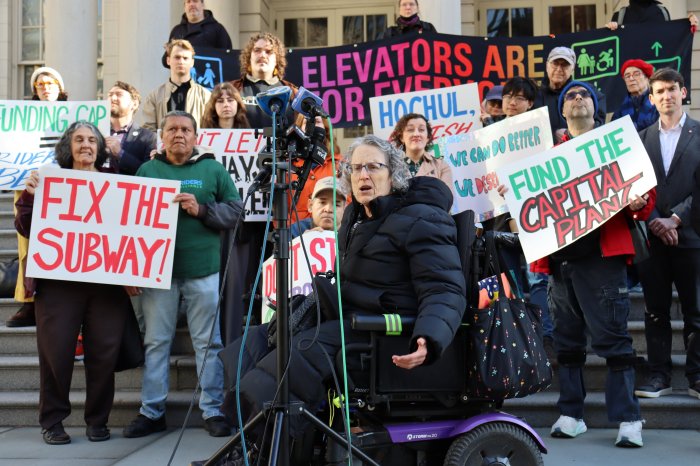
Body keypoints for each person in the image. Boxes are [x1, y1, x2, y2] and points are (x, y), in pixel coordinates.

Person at [221, 134, 466, 462]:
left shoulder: (423, 217)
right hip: (348, 317)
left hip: (384, 331)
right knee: (256, 341)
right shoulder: (356, 217)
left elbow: (444, 287)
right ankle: (255, 445)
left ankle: (269, 452)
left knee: (296, 355)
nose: (364, 175)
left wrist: (429, 336)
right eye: (356, 168)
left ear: (393, 175)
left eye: (373, 167)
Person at [529, 81, 654, 448]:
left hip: (602, 261)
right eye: (570, 96)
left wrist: (638, 202)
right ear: (562, 111)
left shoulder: (617, 146)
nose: (577, 99)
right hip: (559, 263)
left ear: (595, 108)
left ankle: (630, 418)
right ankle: (571, 413)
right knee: (567, 343)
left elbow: (646, 199)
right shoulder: (546, 155)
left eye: (584, 95)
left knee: (614, 342)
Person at [122, 111, 243, 439]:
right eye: (172, 129)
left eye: (186, 129)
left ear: (195, 136)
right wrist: (130, 268)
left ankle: (213, 410)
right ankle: (152, 411)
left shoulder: (212, 169)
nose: (179, 134)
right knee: (157, 342)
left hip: (203, 271)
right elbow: (129, 220)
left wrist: (201, 210)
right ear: (162, 136)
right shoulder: (147, 170)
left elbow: (236, 211)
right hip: (157, 274)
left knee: (208, 344)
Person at [15, 121, 130, 445]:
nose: (86, 145)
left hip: (105, 284)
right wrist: (33, 196)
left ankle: (98, 421)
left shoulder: (116, 183)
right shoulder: (47, 182)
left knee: (105, 354)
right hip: (58, 284)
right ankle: (52, 421)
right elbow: (24, 225)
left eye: (92, 140)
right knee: (56, 354)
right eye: (79, 139)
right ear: (68, 147)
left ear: (100, 148)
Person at [635, 68, 700, 400]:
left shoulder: (699, 133)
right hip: (652, 238)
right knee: (655, 310)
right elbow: (637, 185)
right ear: (651, 98)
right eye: (659, 92)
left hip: (692, 237)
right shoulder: (642, 138)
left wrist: (676, 218)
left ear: (683, 92)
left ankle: (697, 376)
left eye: (671, 89)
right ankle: (658, 374)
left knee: (696, 311)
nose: (666, 96)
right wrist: (658, 220)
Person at [6, 66, 67, 328]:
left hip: (63, 188)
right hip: (29, 186)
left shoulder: (75, 115)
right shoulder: (20, 120)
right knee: (26, 245)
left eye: (50, 83)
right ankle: (28, 301)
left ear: (59, 88)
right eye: (40, 85)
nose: (45, 88)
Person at [533, 47, 607, 143]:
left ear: (572, 69)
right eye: (555, 64)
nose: (559, 69)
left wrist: (571, 134)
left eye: (565, 65)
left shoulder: (588, 91)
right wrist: (552, 134)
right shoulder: (534, 96)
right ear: (547, 66)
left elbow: (599, 123)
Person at [140, 39, 211, 132]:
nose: (181, 61)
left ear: (192, 62)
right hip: (164, 146)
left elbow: (211, 128)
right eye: (177, 57)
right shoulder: (154, 96)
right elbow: (148, 130)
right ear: (168, 60)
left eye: (185, 58)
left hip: (196, 146)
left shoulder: (206, 96)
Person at [231, 32, 298, 129]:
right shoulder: (232, 89)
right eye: (257, 50)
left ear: (277, 59)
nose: (262, 55)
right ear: (249, 57)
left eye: (268, 51)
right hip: (239, 144)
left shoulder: (293, 93)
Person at [104, 81, 157, 176]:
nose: (113, 98)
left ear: (134, 104)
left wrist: (120, 154)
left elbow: (149, 173)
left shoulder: (148, 138)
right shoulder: (96, 133)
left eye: (119, 94)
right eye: (110, 95)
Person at [389, 112, 452, 189]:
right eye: (410, 130)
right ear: (401, 137)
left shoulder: (441, 166)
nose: (416, 134)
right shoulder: (391, 167)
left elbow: (447, 198)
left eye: (421, 130)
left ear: (428, 137)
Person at [163, 0, 232, 68]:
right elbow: (166, 62)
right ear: (185, 7)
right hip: (183, 78)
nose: (191, 4)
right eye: (188, 1)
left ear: (203, 5)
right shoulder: (177, 30)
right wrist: (168, 52)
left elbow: (228, 58)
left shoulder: (217, 29)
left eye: (195, 1)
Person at [611, 59, 658, 131]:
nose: (631, 78)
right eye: (627, 76)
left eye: (636, 74)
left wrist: (634, 127)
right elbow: (613, 129)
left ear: (647, 78)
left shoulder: (659, 101)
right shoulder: (621, 108)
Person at [606, 1, 698, 29]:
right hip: (632, 73)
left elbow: (671, 39)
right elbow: (612, 46)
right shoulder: (620, 16)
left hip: (656, 70)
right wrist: (608, 30)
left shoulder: (662, 12)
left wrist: (687, 24)